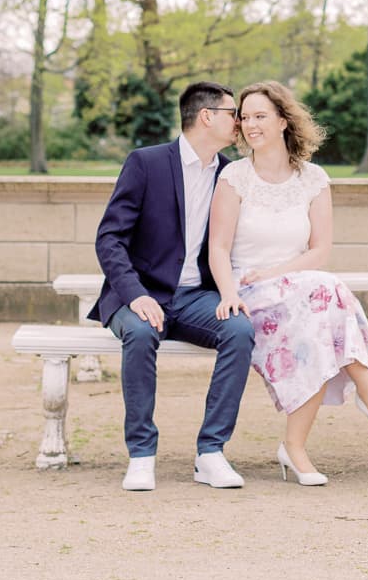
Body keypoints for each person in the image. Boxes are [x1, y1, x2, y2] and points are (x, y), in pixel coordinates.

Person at [208, 79, 368, 485]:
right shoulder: (234, 177)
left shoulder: (313, 179)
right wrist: (230, 293)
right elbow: (217, 247)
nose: (250, 125)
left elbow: (320, 250)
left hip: (303, 293)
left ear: (283, 120)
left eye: (260, 116)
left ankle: (294, 447)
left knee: (319, 317)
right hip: (249, 293)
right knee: (326, 293)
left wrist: (277, 273)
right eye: (244, 118)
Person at [89, 80, 256, 492]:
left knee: (239, 331)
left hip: (198, 296)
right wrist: (136, 294)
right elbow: (109, 238)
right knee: (141, 333)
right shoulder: (146, 162)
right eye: (233, 113)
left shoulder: (230, 175)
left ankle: (211, 453)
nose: (239, 122)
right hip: (140, 294)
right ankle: (142, 455)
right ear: (206, 117)